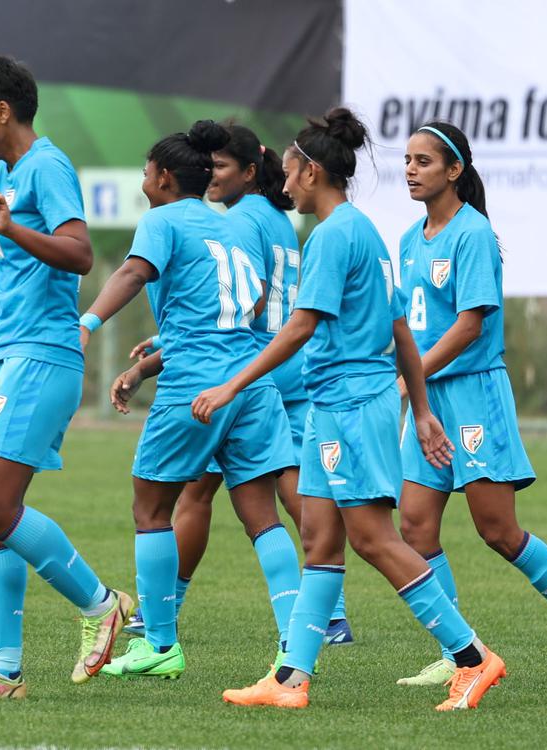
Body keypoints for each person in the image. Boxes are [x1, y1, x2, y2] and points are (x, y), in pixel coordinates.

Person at [192, 108, 505, 712]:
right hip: (332, 408)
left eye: (287, 174)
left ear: (311, 172)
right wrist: (420, 409)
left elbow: (301, 326)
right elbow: (400, 331)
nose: (281, 187)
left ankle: (471, 657)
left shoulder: (335, 235)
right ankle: (289, 680)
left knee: (371, 538)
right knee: (319, 540)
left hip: (351, 405)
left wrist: (231, 385)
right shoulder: (360, 229)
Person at [0, 56, 131, 701]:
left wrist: (7, 226)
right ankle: (2, 670)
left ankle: (102, 606)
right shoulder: (11, 174)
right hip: (4, 352)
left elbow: (79, 253)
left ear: (3, 111)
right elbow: (21, 269)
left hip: (40, 357)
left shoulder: (47, 164)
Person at [393, 121, 547, 688]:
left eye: (424, 161)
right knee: (416, 527)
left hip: (472, 395)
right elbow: (407, 326)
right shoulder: (407, 239)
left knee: (497, 530)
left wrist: (410, 376)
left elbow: (470, 326)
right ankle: (459, 653)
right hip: (427, 396)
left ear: (454, 171)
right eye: (407, 160)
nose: (411, 171)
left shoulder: (473, 235)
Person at [80, 120, 303, 680]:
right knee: (262, 518)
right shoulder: (228, 224)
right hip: (251, 383)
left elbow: (133, 273)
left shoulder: (162, 219)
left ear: (163, 177)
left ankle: (160, 645)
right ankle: (294, 648)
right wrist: (149, 363)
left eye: (147, 173)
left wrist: (86, 322)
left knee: (150, 509)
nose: (143, 182)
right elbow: (245, 307)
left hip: (197, 387)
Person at [121, 123, 353, 645]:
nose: (215, 175)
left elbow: (235, 301)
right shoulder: (276, 217)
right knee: (282, 495)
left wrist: (156, 348)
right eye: (211, 166)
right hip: (275, 371)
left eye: (223, 166)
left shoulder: (238, 220)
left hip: (235, 368)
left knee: (188, 499)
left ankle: (159, 622)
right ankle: (322, 615)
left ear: (250, 171)